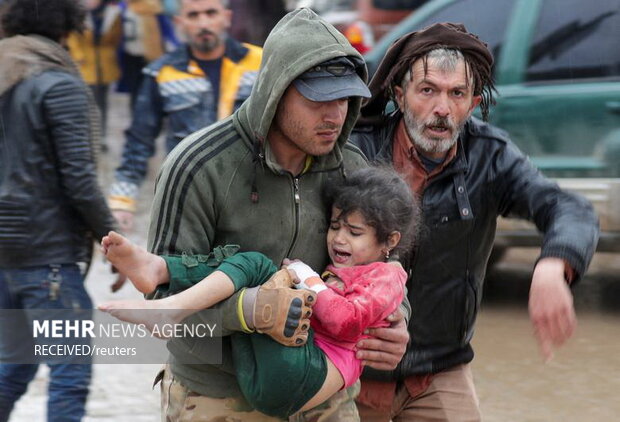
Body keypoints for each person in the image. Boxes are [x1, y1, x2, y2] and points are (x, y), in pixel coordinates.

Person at [141, 8, 411, 421]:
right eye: (319, 98)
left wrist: (397, 325)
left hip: (324, 391)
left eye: (344, 97)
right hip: (220, 396)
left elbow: (384, 270)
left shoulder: (352, 168)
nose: (335, 114)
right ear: (274, 91)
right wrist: (248, 311)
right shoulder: (197, 167)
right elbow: (163, 307)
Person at [349, 23, 600, 421]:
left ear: (473, 103)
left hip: (438, 371)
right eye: (428, 90)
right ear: (400, 95)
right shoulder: (355, 151)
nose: (442, 109)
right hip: (349, 367)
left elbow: (567, 207)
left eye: (457, 94)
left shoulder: (489, 155)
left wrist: (555, 264)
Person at [99, 166, 420, 419]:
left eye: (355, 232)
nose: (339, 239)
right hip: (263, 382)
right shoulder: (202, 162)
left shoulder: (388, 275)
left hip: (303, 376)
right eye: (335, 226)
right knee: (248, 278)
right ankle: (161, 273)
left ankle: (164, 279)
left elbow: (345, 320)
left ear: (390, 241)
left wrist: (306, 277)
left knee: (255, 264)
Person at [0, 0, 122, 420]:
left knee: (14, 366)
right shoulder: (58, 83)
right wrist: (114, 242)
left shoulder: (4, 71)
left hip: (7, 257)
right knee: (70, 369)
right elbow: (80, 181)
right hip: (45, 253)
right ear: (70, 26)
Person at [108, 0, 262, 232]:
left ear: (227, 17)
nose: (203, 23)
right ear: (180, 22)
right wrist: (122, 203)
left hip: (252, 192)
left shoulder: (260, 63)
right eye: (193, 15)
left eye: (211, 13)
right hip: (189, 197)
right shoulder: (163, 73)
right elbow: (138, 141)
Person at [67, 0, 123, 151]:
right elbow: (72, 38)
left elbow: (116, 37)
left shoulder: (112, 13)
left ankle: (100, 135)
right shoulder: (79, 13)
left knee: (102, 102)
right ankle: (85, 136)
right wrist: (77, 55)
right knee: (85, 102)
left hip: (105, 63)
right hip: (85, 63)